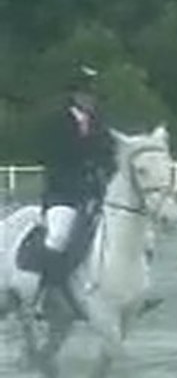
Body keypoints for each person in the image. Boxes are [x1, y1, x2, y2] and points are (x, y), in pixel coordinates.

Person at [33, 64, 115, 319]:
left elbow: (108, 154)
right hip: (62, 194)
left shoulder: (99, 122)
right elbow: (53, 159)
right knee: (58, 237)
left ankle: (123, 292)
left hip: (95, 195)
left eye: (94, 95)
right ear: (76, 96)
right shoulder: (56, 122)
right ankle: (46, 294)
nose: (92, 100)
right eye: (87, 95)